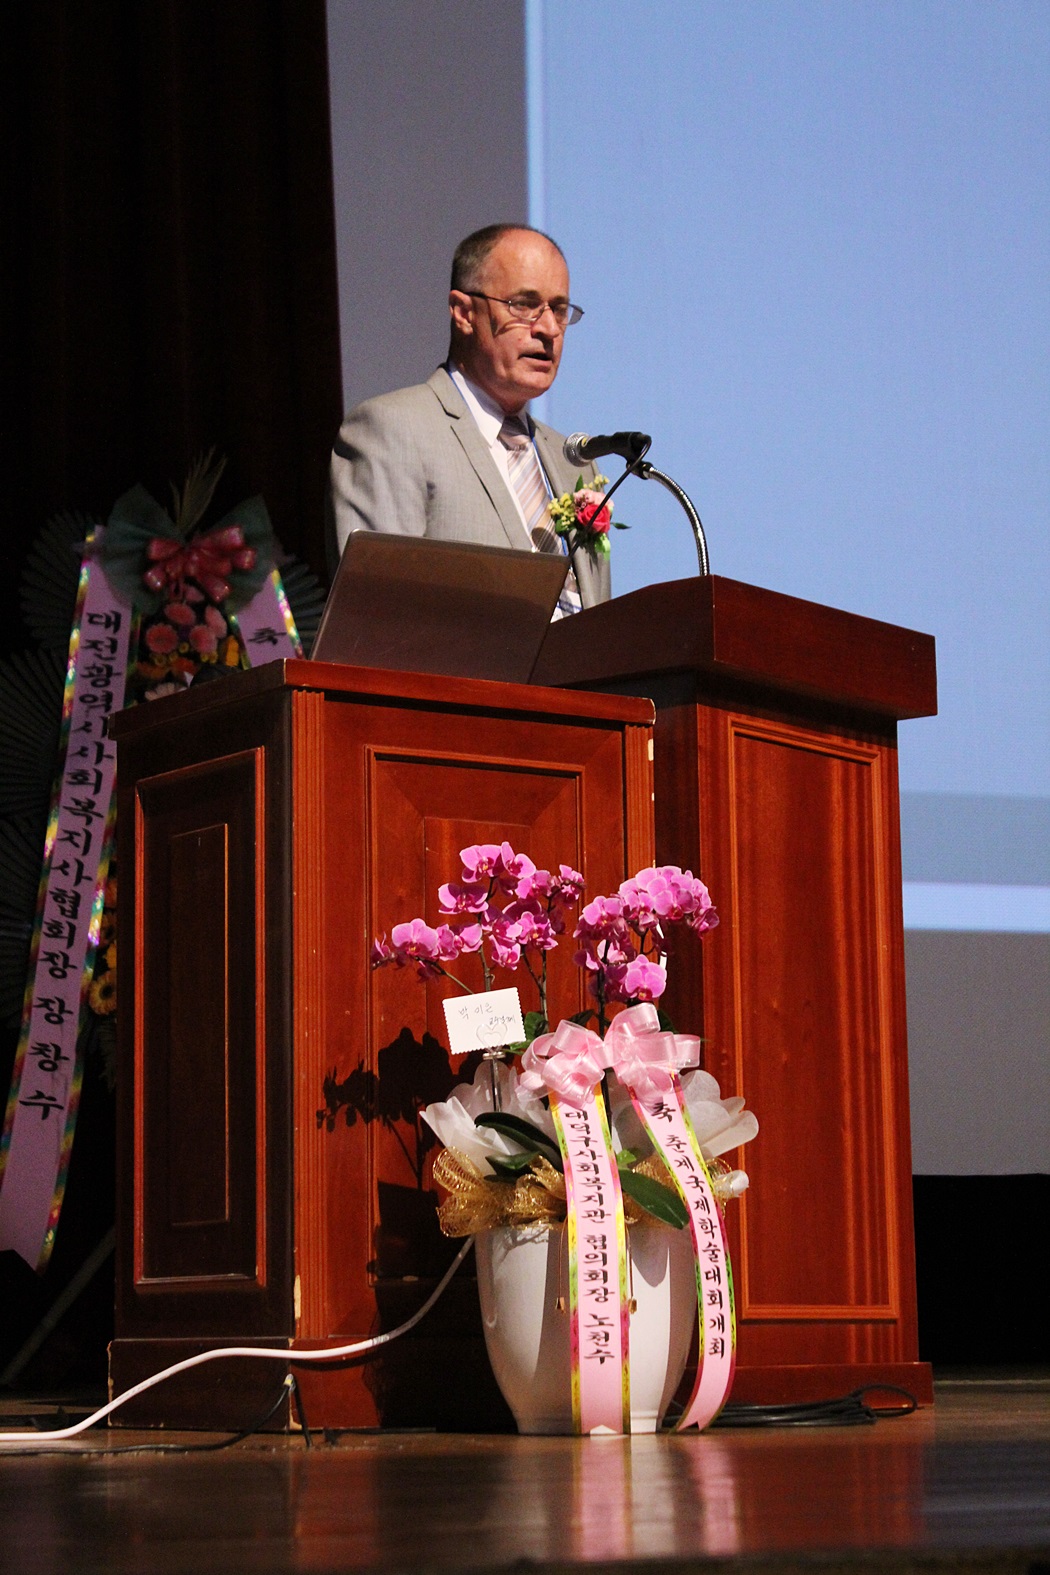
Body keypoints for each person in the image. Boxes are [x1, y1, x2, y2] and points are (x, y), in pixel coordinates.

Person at [328, 224, 610, 611]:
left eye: (559, 310)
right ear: (463, 313)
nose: (548, 329)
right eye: (524, 305)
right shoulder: (392, 431)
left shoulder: (573, 460)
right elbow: (381, 615)